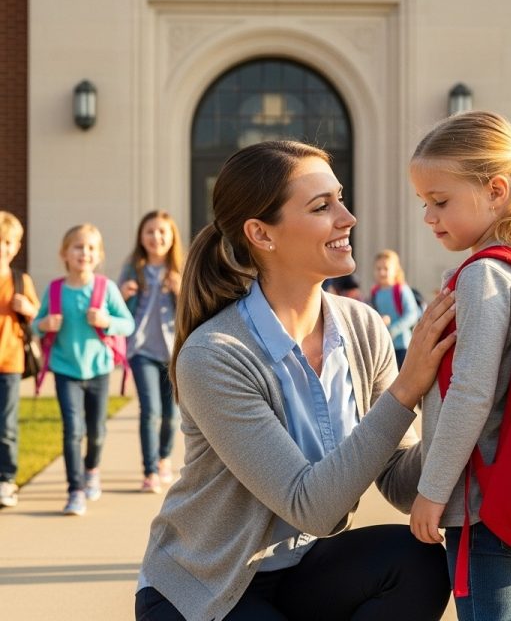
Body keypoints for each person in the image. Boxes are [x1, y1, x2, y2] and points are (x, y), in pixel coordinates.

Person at [135, 139, 456, 621]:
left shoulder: (363, 327)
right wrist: (405, 389)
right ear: (261, 234)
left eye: (340, 199)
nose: (347, 218)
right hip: (204, 588)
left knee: (417, 561)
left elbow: (400, 483)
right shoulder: (215, 354)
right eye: (322, 206)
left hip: (302, 569)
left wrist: (454, 397)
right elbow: (312, 508)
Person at [409, 110, 511, 620]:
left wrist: (432, 491)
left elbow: (471, 393)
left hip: (480, 507)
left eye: (440, 201)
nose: (429, 217)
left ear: (496, 191)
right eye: (423, 203)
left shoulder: (483, 276)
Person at [33, 224, 135, 516]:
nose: (84, 253)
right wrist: (43, 324)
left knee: (96, 431)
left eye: (91, 248)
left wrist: (106, 321)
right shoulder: (55, 290)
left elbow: (127, 324)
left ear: (99, 255)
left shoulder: (105, 288)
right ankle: (75, 490)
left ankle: (92, 469)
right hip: (65, 369)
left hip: (99, 369)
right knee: (72, 430)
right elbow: (35, 325)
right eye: (78, 247)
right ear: (64, 254)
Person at [119, 210, 184, 494]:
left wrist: (181, 291)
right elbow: (116, 308)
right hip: (141, 350)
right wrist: (123, 294)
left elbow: (194, 310)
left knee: (171, 413)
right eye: (149, 231)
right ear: (141, 237)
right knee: (150, 410)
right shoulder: (133, 269)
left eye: (162, 232)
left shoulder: (180, 270)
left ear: (172, 238)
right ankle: (149, 471)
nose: (156, 237)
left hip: (173, 352)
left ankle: (163, 458)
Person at [0, 212, 40, 509]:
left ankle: (6, 479)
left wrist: (27, 307)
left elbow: (37, 316)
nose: (2, 247)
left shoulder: (19, 280)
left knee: (6, 426)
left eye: (7, 242)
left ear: (16, 246)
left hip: (10, 363)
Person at [369, 249, 421, 369]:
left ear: (395, 270)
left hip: (402, 346)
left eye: (386, 268)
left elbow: (412, 314)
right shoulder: (375, 292)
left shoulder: (401, 289)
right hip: (384, 347)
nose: (382, 272)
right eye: (378, 268)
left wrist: (393, 329)